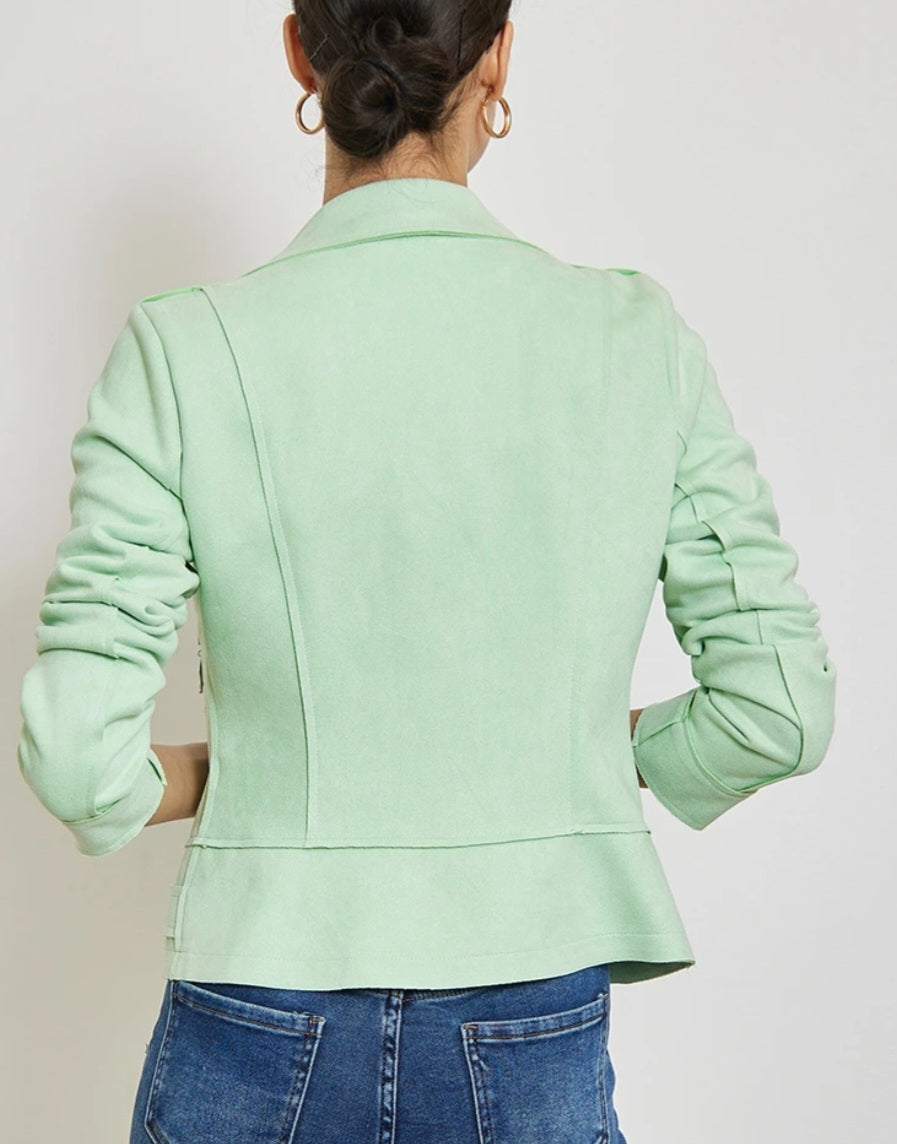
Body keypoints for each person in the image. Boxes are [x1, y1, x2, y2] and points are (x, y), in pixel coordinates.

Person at [15, 2, 837, 1141]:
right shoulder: (633, 340)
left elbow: (79, 764)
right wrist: (571, 756)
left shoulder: (186, 348)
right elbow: (779, 709)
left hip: (255, 1015)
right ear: (496, 56)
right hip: (530, 1011)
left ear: (300, 49)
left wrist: (245, 768)